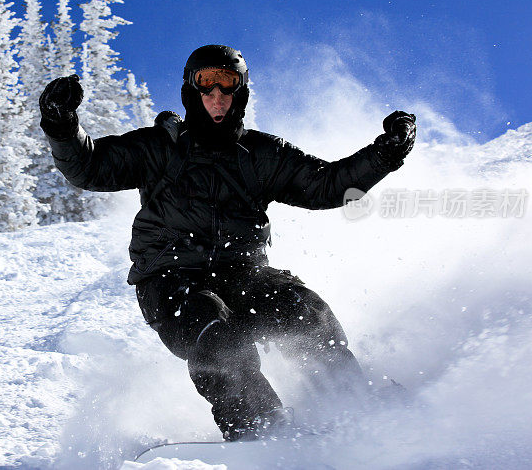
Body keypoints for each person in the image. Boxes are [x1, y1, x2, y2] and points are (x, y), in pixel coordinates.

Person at [38, 45, 416, 441]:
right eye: (206, 86)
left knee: (303, 310)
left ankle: (352, 406)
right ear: (191, 91)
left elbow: (328, 186)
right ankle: (262, 432)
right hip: (171, 280)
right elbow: (89, 166)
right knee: (214, 330)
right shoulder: (158, 148)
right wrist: (62, 125)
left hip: (244, 275)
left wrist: (384, 155)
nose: (217, 98)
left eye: (228, 86)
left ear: (241, 92)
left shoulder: (261, 154)